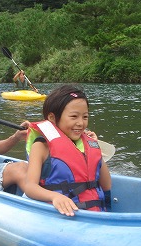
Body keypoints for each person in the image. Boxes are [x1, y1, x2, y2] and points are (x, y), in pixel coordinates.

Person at [24, 84, 112, 217]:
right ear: (52, 118)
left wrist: (96, 149)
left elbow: (106, 185)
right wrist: (54, 197)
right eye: (74, 116)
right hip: (63, 216)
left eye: (85, 117)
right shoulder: (41, 146)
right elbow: (30, 186)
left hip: (97, 215)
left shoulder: (89, 144)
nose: (81, 123)